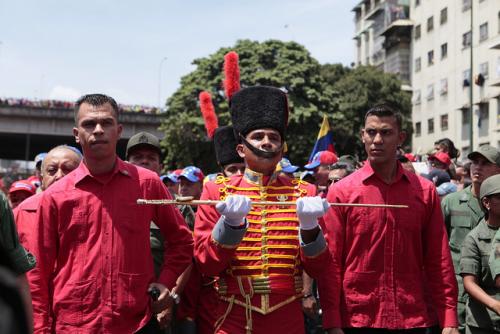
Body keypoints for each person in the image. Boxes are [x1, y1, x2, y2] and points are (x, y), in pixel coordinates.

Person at [30, 93, 193, 333]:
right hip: (72, 325)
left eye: (106, 123)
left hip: (136, 324)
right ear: (77, 134)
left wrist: (165, 282)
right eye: (89, 124)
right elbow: (38, 270)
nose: (98, 130)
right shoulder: (55, 195)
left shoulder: (147, 183)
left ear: (119, 130)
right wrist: (41, 328)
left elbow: (182, 240)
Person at [194, 85, 331, 333]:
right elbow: (206, 265)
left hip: (287, 316)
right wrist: (230, 226)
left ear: (282, 148)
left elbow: (319, 268)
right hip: (234, 316)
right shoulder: (216, 191)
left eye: (274, 137)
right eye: (258, 136)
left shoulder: (305, 193)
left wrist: (310, 230)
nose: (267, 142)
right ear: (241, 148)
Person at [320, 104, 458, 333]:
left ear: (400, 137)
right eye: (371, 132)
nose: (377, 140)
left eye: (386, 132)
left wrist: (449, 318)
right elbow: (332, 260)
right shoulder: (341, 192)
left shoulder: (424, 192)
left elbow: (439, 258)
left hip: (412, 315)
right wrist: (332, 321)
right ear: (362, 135)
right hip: (358, 316)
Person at [442, 145, 500, 331]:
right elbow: (437, 247)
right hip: (458, 293)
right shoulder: (451, 202)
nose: (477, 167)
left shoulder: (497, 205)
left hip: (492, 297)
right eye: (475, 162)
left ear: (498, 169)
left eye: (485, 163)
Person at [460, 174, 500, 333]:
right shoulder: (474, 238)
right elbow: (469, 282)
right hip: (484, 323)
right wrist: (495, 305)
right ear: (486, 202)